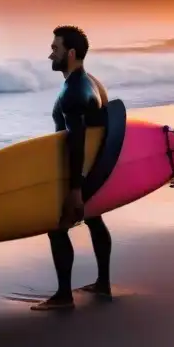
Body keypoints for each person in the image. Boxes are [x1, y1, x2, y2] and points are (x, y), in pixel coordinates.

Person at [31, 24, 113, 312]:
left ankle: (64, 296)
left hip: (79, 172)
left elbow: (76, 142)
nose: (50, 54)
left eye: (56, 49)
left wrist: (75, 189)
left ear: (72, 52)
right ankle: (103, 283)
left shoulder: (73, 93)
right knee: (94, 219)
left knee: (57, 227)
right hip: (95, 168)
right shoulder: (91, 82)